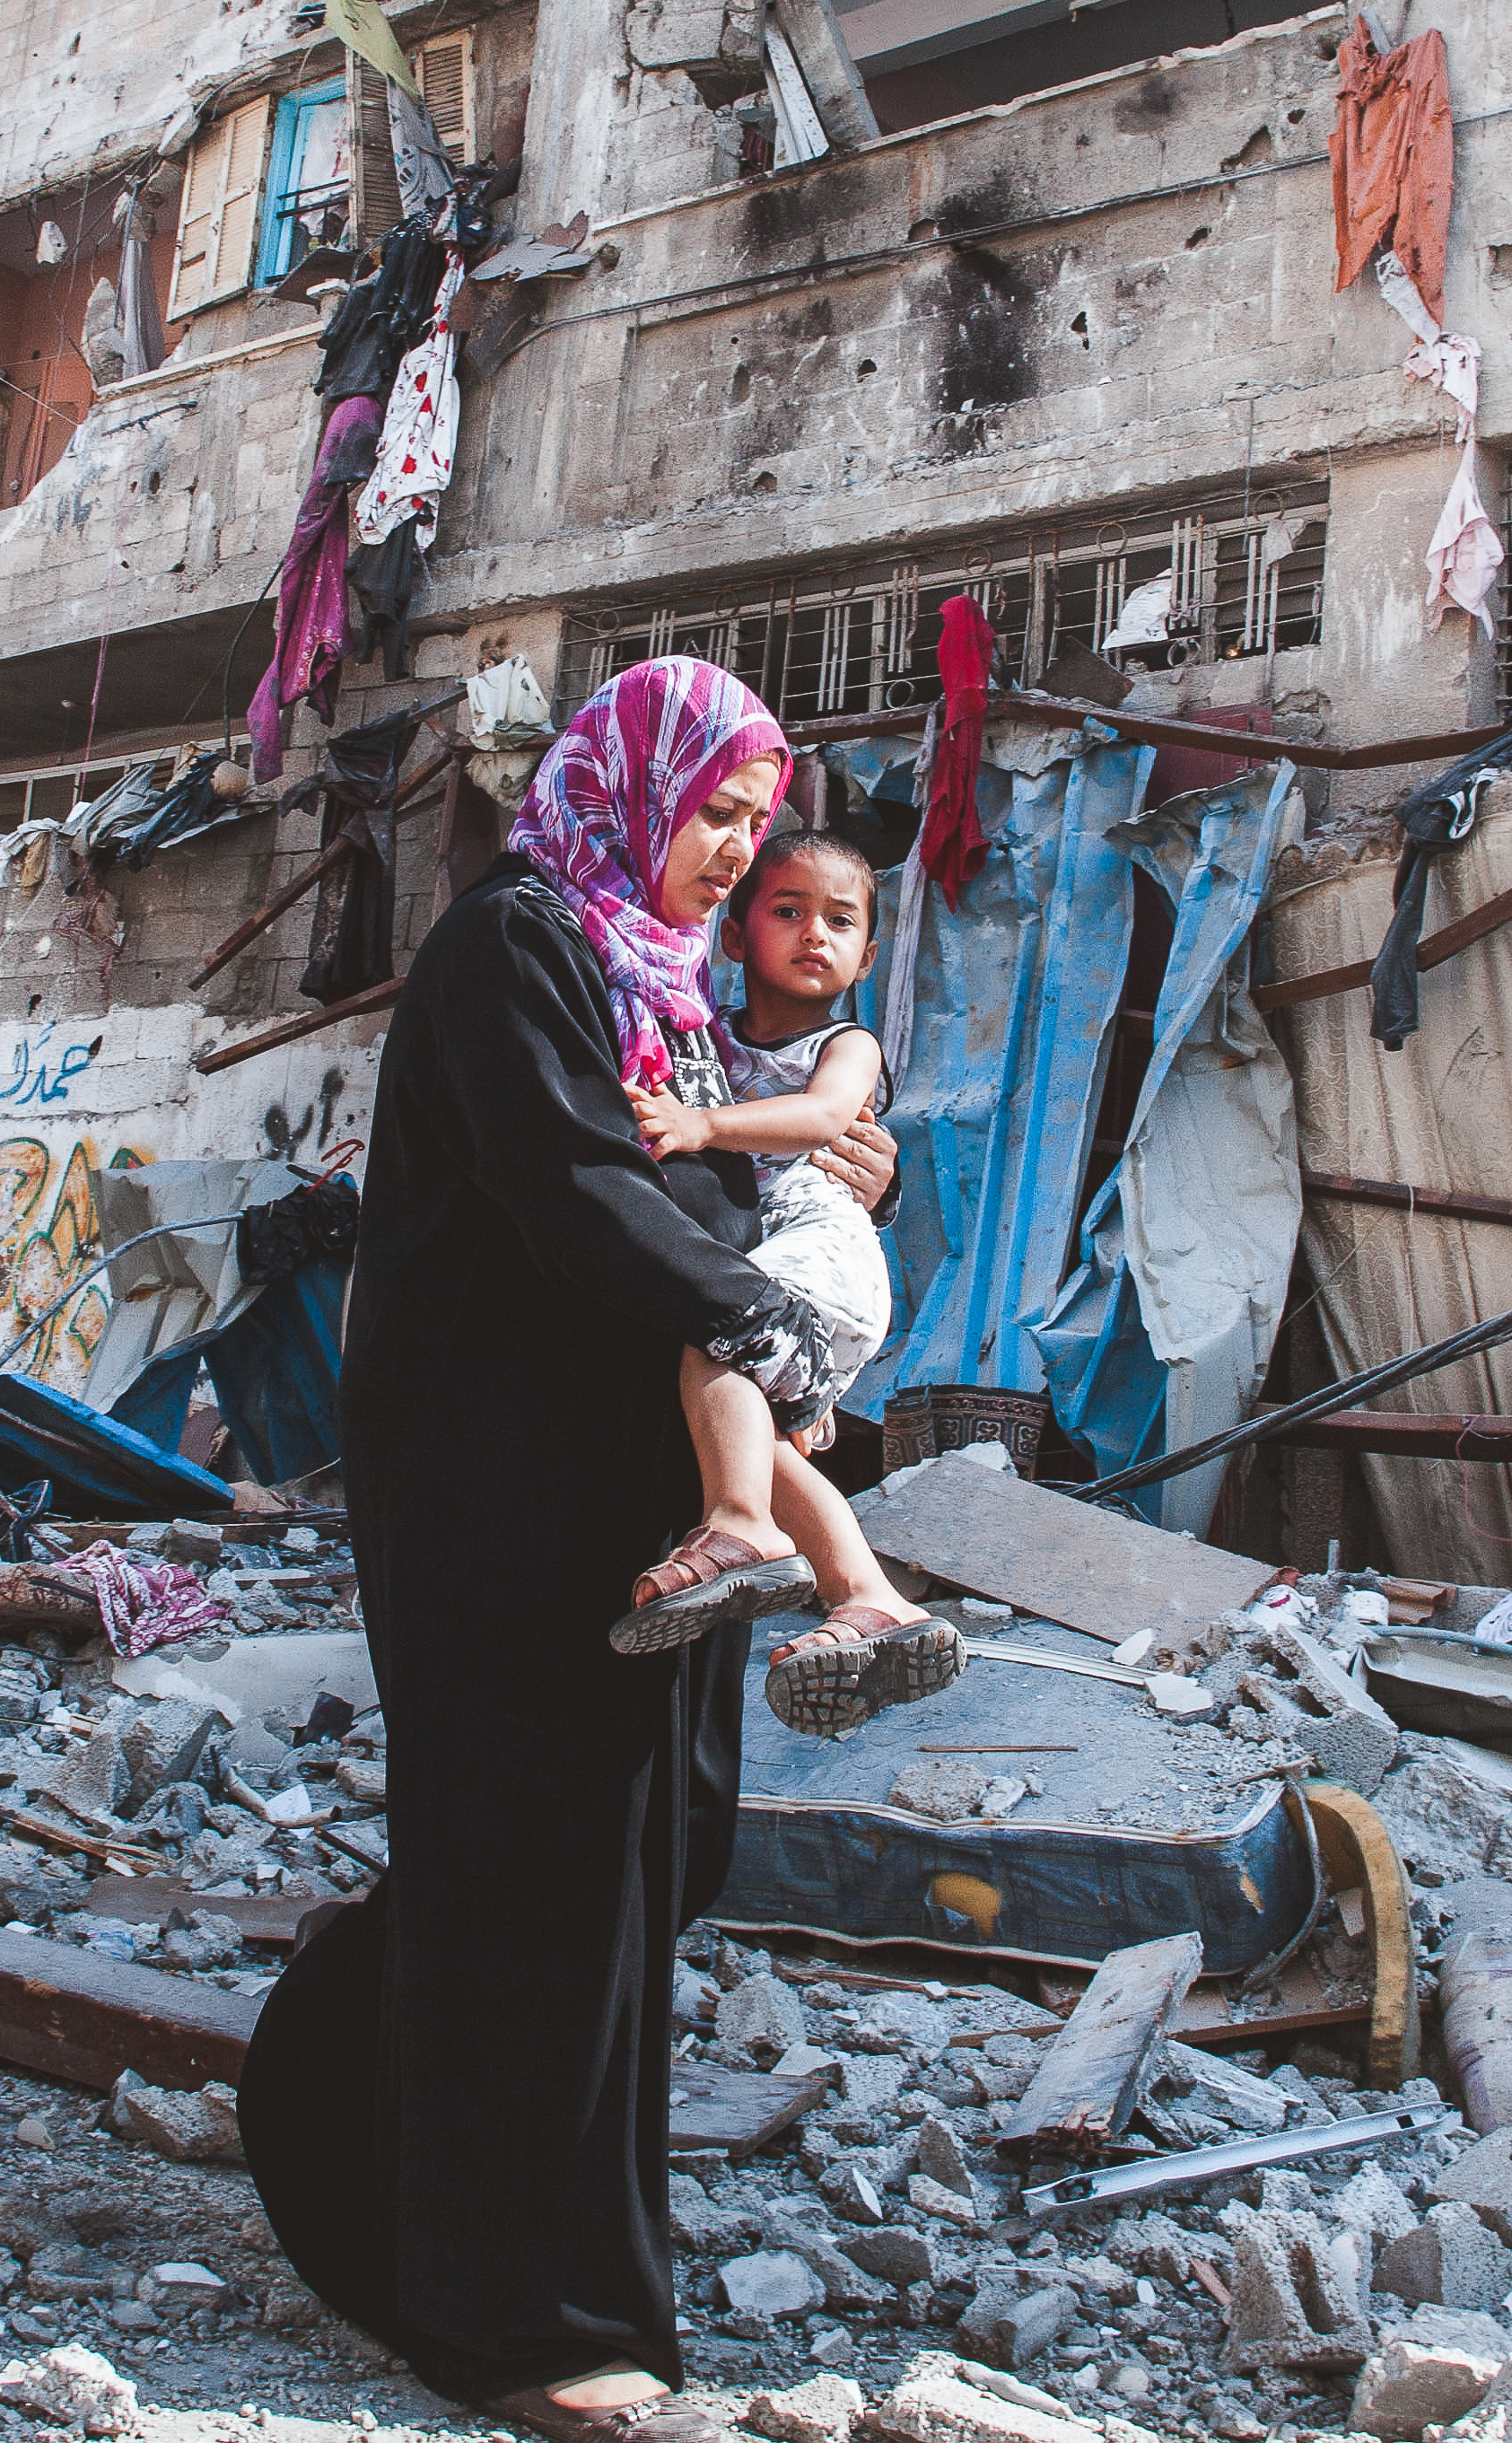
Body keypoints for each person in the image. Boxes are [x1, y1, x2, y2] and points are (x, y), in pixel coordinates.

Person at [239, 658, 896, 2443]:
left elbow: (693, 1185)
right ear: (627, 789)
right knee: (533, 1875)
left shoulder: (661, 985)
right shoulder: (511, 947)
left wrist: (771, 1322)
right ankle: (514, 2318)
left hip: (627, 1485)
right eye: (709, 814)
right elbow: (571, 1185)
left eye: (753, 826)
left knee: (636, 1866)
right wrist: (760, 1323)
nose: (728, 853)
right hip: (495, 1486)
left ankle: (377, 2136)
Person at [607, 827, 957, 1731]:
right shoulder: (701, 1038)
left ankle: (740, 1525)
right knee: (751, 1432)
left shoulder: (847, 1043)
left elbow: (822, 1115)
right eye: (789, 911)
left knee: (712, 1344)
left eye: (840, 921)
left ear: (868, 955)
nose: (815, 933)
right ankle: (870, 1597)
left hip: (824, 1253)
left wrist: (702, 1126)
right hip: (775, 1261)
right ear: (733, 934)